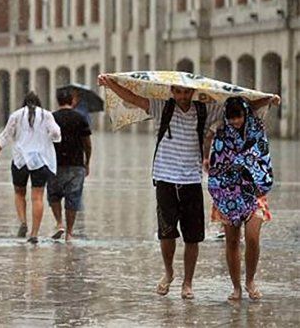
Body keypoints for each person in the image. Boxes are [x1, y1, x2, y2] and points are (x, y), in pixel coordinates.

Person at [97, 74, 278, 299]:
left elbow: (239, 107)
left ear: (192, 92)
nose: (183, 96)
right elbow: (133, 98)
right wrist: (110, 83)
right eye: (178, 91)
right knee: (166, 233)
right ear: (172, 91)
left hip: (192, 180)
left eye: (186, 92)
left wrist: (267, 99)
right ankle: (169, 273)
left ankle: (188, 283)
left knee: (192, 237)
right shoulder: (160, 107)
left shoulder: (204, 110)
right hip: (164, 178)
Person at [206, 97, 275, 301]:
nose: (235, 121)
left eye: (239, 116)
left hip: (254, 190)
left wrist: (270, 99)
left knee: (253, 237)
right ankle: (236, 286)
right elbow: (217, 158)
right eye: (231, 117)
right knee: (232, 241)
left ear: (245, 113)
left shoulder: (256, 128)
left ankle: (250, 280)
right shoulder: (220, 132)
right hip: (227, 192)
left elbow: (260, 154)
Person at [0, 91, 61, 244]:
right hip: (40, 161)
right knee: (37, 197)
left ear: (24, 103)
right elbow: (56, 132)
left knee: (19, 193)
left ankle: (23, 222)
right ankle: (34, 233)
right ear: (38, 102)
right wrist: (49, 138)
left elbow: (5, 136)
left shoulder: (16, 115)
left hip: (20, 160)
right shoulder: (46, 115)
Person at [47, 86, 92, 241]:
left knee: (54, 196)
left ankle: (59, 223)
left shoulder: (51, 118)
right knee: (73, 198)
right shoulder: (80, 118)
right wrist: (88, 162)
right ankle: (69, 232)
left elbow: (46, 141)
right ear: (72, 101)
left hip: (55, 163)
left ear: (58, 101)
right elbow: (87, 142)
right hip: (76, 164)